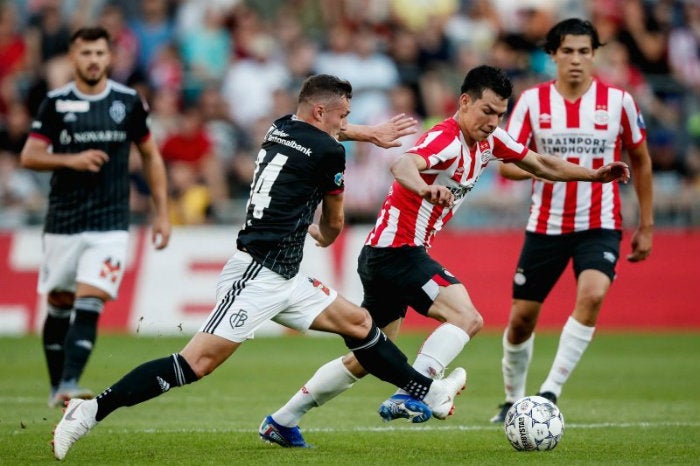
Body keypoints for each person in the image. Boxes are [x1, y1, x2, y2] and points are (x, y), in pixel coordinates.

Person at [51, 73, 469, 460]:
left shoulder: (281, 124)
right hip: (257, 275)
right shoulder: (330, 152)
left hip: (286, 276)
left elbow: (326, 134)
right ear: (321, 113)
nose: (347, 123)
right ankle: (88, 411)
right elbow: (335, 218)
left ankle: (426, 393)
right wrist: (326, 234)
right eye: (343, 115)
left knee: (360, 324)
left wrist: (369, 134)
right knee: (195, 364)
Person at [261, 64, 631, 446]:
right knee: (467, 316)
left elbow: (538, 163)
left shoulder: (490, 142)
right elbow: (402, 164)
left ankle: (283, 420)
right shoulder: (447, 139)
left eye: (500, 114)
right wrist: (424, 189)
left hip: (384, 255)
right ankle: (413, 392)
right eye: (487, 111)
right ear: (465, 102)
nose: (493, 121)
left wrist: (592, 174)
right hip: (397, 250)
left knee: (368, 358)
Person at [490, 18, 653, 424]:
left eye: (584, 51)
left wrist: (646, 224)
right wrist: (544, 169)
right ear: (552, 56)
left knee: (593, 295)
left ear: (595, 54)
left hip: (600, 223)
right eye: (568, 51)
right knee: (521, 321)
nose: (576, 60)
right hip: (545, 224)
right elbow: (506, 165)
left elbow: (642, 160)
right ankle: (512, 399)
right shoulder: (531, 102)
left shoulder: (620, 102)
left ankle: (549, 392)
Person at [20, 26, 171, 409]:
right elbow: (30, 156)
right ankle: (58, 384)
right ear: (73, 58)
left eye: (100, 54)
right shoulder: (55, 103)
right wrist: (69, 159)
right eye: (85, 53)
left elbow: (151, 155)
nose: (93, 60)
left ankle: (70, 382)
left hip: (110, 221)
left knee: (92, 299)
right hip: (63, 221)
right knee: (59, 302)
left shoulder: (127, 101)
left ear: (110, 57)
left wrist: (163, 214)